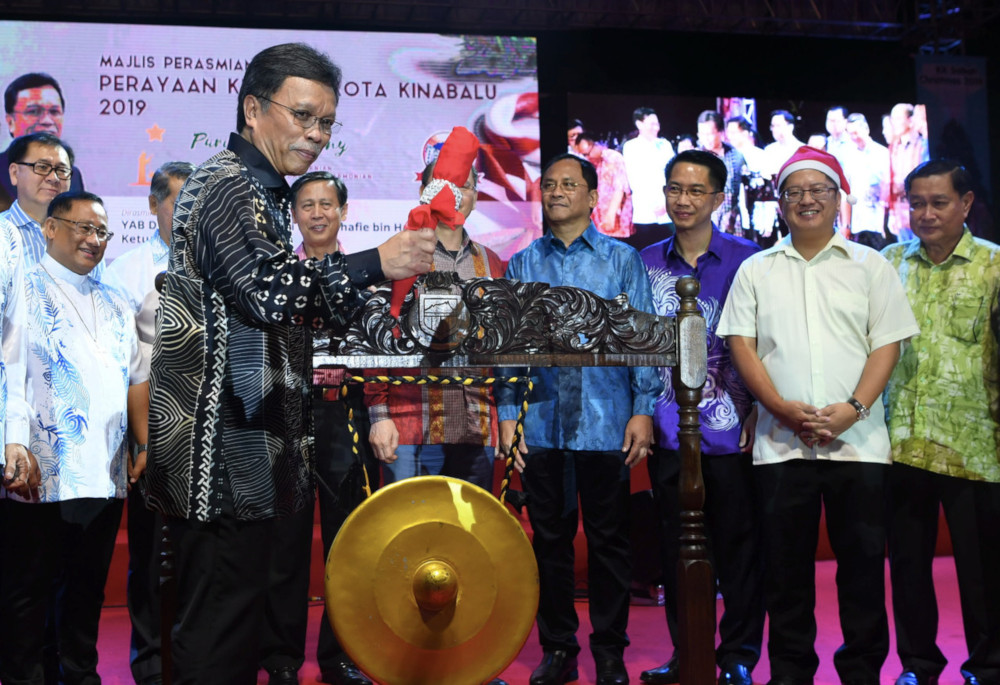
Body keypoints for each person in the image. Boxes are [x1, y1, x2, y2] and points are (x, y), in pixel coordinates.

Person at [145, 42, 437, 684]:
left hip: (254, 454)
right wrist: (374, 264)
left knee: (238, 629)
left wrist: (401, 322)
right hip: (217, 458)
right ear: (253, 108)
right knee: (217, 635)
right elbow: (273, 292)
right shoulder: (224, 184)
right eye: (303, 116)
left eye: (327, 122)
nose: (316, 135)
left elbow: (302, 307)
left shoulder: (265, 194)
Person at [717, 146, 919, 685]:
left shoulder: (871, 266)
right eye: (795, 191)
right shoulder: (756, 269)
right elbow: (741, 343)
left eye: (818, 190)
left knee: (861, 569)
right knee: (784, 573)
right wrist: (778, 407)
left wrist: (853, 409)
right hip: (782, 444)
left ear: (837, 199)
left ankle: (861, 672)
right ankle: (790, 672)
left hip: (860, 444)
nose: (807, 200)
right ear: (780, 203)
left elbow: (887, 346)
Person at [497, 153, 662, 685]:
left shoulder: (620, 260)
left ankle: (610, 650)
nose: (557, 192)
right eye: (549, 184)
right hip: (542, 424)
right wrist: (506, 414)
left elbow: (642, 341)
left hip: (605, 421)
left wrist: (642, 409)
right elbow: (508, 348)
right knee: (550, 541)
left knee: (610, 542)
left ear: (593, 198)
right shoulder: (523, 263)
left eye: (570, 184)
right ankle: (559, 650)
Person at [0, 190, 148, 685]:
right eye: (82, 227)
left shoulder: (114, 297)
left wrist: (140, 443)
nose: (93, 239)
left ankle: (81, 675)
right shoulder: (23, 285)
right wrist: (13, 441)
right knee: (29, 590)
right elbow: (11, 369)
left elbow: (132, 379)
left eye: (102, 231)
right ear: (50, 228)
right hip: (42, 467)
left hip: (104, 470)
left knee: (87, 588)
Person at [638, 150, 764, 685]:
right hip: (668, 432)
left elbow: (769, 344)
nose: (682, 200)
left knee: (739, 547)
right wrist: (641, 414)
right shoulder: (642, 263)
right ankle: (687, 652)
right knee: (676, 553)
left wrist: (760, 407)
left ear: (717, 199)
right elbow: (637, 349)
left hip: (733, 431)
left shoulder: (750, 261)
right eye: (674, 188)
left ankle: (737, 656)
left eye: (695, 191)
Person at [251, 170, 376, 685]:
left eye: (327, 204)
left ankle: (340, 655)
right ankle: (280, 657)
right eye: (307, 205)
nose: (318, 213)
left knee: (348, 539)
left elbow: (375, 345)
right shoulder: (278, 276)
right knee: (286, 540)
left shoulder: (365, 272)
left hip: (345, 412)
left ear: (342, 211)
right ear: (293, 214)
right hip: (286, 415)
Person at [881, 159, 1000, 685]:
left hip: (976, 444)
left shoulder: (994, 266)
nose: (926, 214)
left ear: (967, 203)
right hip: (900, 441)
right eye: (917, 203)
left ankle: (988, 665)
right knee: (908, 566)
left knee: (983, 572)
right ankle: (917, 665)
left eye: (939, 202)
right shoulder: (885, 263)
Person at [102, 160, 195, 685]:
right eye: (176, 203)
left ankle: (197, 656)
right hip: (147, 439)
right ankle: (151, 661)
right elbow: (126, 367)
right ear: (153, 205)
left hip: (209, 438)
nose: (185, 217)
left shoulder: (218, 266)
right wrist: (141, 441)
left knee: (202, 557)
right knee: (150, 553)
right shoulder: (125, 272)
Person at [366, 159, 506, 490]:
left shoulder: (491, 262)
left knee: (469, 533)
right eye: (446, 184)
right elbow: (378, 343)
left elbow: (503, 350)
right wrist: (379, 415)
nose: (456, 194)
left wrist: (507, 417)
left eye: (466, 186)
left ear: (475, 195)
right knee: (410, 533)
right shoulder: (398, 255)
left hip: (477, 423)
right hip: (410, 424)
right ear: (423, 192)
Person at [1, 73, 84, 211]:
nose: (47, 121)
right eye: (33, 111)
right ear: (11, 122)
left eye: (54, 111)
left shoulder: (72, 175)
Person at [1, 132, 75, 268]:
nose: (53, 178)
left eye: (62, 170)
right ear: (14, 173)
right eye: (42, 167)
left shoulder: (83, 237)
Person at [623, 107, 675, 250]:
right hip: (644, 212)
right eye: (651, 124)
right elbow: (634, 181)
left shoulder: (665, 145)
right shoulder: (631, 147)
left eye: (657, 124)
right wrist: (654, 204)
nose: (656, 128)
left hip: (667, 210)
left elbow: (673, 176)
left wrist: (666, 203)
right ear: (639, 124)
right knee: (647, 254)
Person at [725, 116, 778, 246]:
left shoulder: (760, 155)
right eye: (728, 133)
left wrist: (768, 219)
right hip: (737, 218)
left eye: (733, 133)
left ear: (745, 133)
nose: (730, 137)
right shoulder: (728, 157)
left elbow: (770, 190)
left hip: (759, 218)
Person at [842, 113, 890, 250]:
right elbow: (846, 193)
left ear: (866, 129)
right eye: (850, 134)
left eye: (856, 133)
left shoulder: (882, 153)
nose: (853, 137)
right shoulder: (849, 156)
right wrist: (846, 224)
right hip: (858, 223)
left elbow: (886, 189)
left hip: (878, 222)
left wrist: (883, 221)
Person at [696, 111, 745, 236]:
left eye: (710, 134)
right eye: (702, 134)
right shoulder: (694, 159)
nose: (706, 138)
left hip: (732, 224)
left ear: (721, 133)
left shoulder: (736, 156)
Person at [575, 131, 633, 239]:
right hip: (599, 220)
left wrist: (610, 215)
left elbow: (619, 188)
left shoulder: (613, 158)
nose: (587, 157)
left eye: (587, 153)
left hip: (615, 218)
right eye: (583, 155)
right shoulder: (594, 163)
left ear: (596, 144)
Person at [887, 103, 929, 242]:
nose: (894, 123)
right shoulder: (894, 147)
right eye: (892, 119)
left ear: (910, 120)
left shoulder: (921, 144)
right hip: (900, 212)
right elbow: (891, 182)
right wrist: (892, 213)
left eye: (898, 118)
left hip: (918, 209)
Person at [762, 110, 803, 177]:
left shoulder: (802, 149)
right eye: (773, 126)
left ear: (790, 127)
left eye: (778, 125)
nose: (774, 130)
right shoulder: (769, 150)